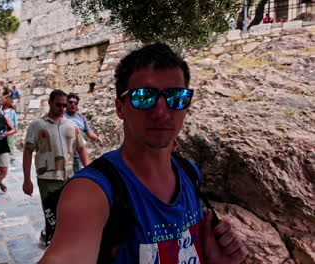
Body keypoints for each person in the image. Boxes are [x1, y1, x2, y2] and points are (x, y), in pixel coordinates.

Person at [39, 44, 248, 263]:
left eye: (176, 97)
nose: (161, 112)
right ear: (120, 108)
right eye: (143, 96)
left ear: (186, 106)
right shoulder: (91, 192)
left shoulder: (190, 173)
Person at [22, 89, 91, 244]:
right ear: (50, 103)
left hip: (69, 178)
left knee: (68, 214)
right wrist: (27, 179)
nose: (62, 108)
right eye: (58, 105)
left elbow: (81, 149)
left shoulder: (71, 125)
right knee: (52, 217)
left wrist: (90, 172)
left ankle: (54, 239)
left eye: (64, 105)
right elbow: (27, 152)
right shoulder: (37, 125)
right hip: (47, 179)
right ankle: (51, 243)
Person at [64, 92, 104, 172]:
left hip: (78, 154)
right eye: (70, 102)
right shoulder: (61, 116)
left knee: (77, 176)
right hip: (65, 154)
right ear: (66, 104)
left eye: (75, 103)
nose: (73, 104)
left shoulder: (81, 118)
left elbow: (89, 132)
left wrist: (96, 138)